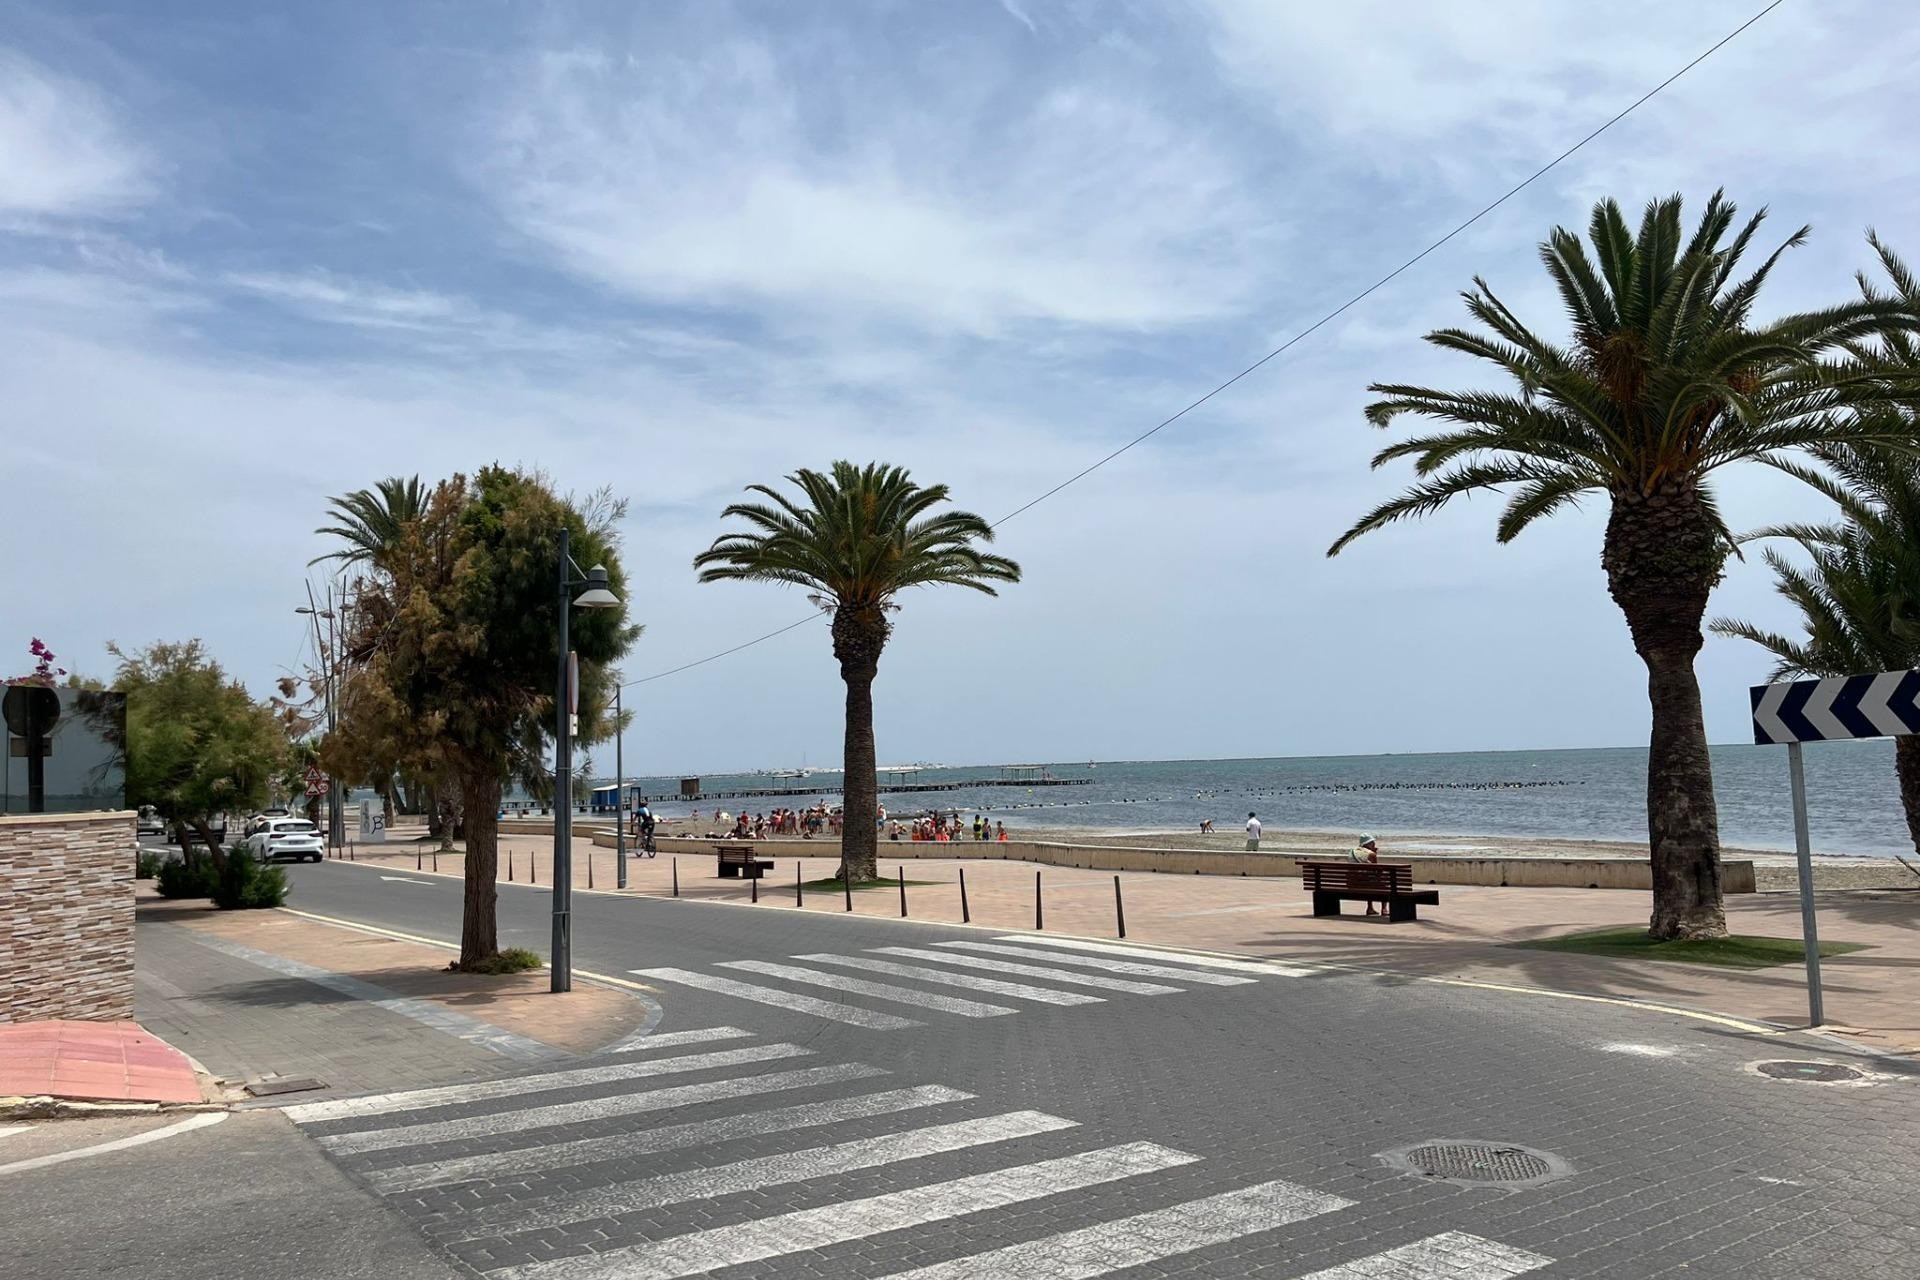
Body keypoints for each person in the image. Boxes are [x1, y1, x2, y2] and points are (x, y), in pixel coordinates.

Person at [1352, 834, 1382, 916]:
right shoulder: (1371, 854)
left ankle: (1370, 908)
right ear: (1368, 844)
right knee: (1384, 881)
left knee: (1368, 880)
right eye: (1372, 843)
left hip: (1352, 883)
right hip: (1366, 884)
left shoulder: (1352, 852)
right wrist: (1375, 853)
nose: (1374, 845)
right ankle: (1384, 908)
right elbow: (1376, 871)